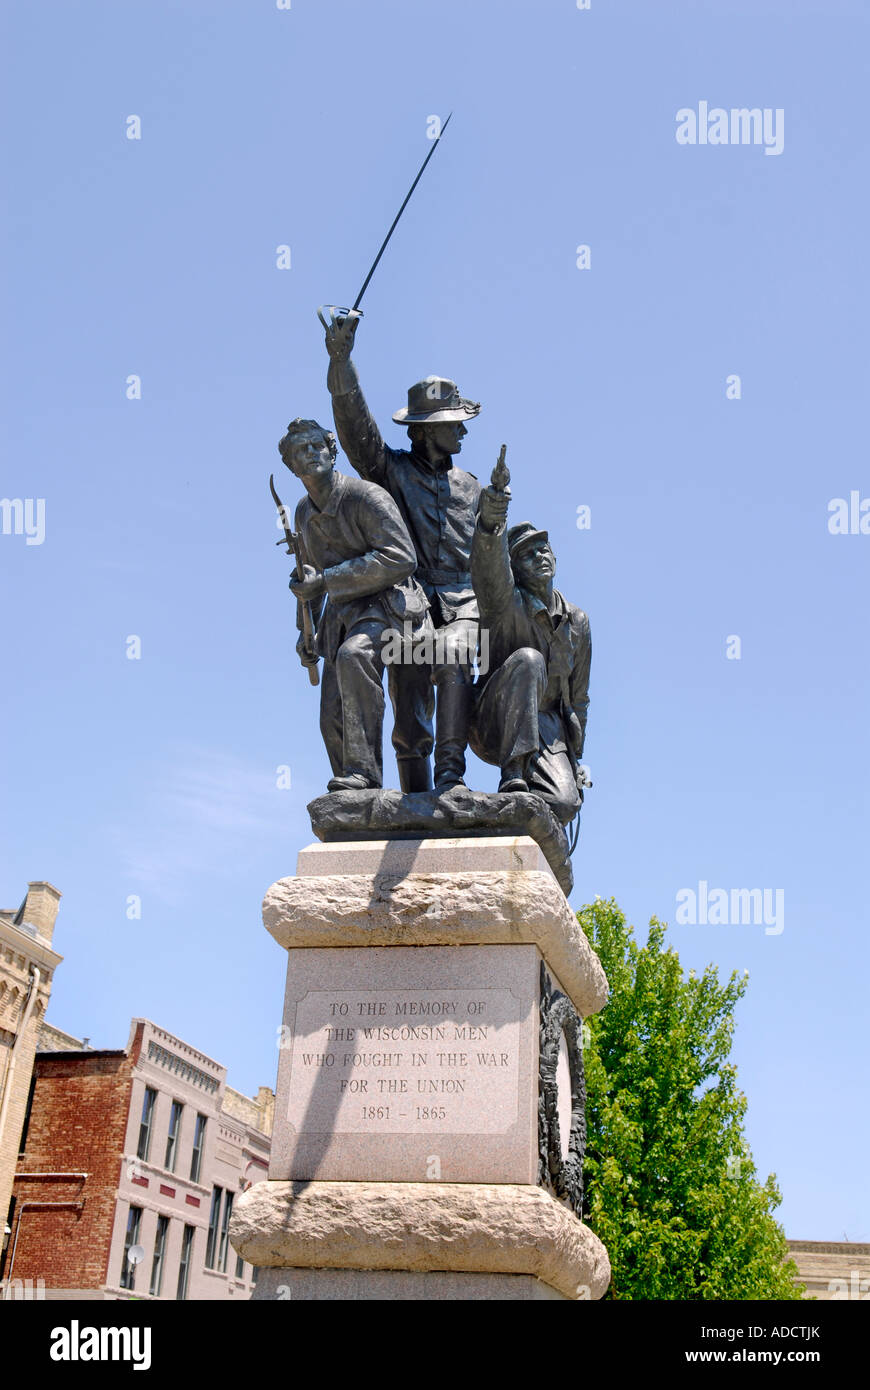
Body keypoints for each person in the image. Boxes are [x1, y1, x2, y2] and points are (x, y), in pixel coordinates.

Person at [322, 311, 481, 792]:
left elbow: (492, 561)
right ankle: (415, 802)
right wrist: (341, 363)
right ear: (426, 430)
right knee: (410, 716)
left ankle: (451, 779)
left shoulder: (472, 488)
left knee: (454, 653)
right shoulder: (390, 471)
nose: (463, 432)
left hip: (461, 606)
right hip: (407, 605)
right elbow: (356, 432)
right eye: (453, 423)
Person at [280, 417, 430, 792]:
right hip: (342, 616)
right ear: (291, 465)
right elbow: (310, 575)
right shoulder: (303, 513)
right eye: (301, 450)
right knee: (332, 712)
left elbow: (401, 557)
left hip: (390, 608)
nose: (311, 454)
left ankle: (364, 775)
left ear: (333, 452)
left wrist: (327, 580)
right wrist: (307, 630)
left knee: (354, 657)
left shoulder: (366, 497)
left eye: (318, 446)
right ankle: (353, 795)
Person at [469, 480, 592, 826]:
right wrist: (492, 521)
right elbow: (489, 570)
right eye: (526, 554)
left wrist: (575, 759)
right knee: (529, 659)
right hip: (495, 715)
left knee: (564, 804)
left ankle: (525, 830)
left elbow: (579, 698)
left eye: (543, 549)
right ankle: (513, 775)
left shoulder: (578, 622)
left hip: (547, 726)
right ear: (514, 570)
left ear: (555, 557)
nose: (539, 557)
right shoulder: (505, 604)